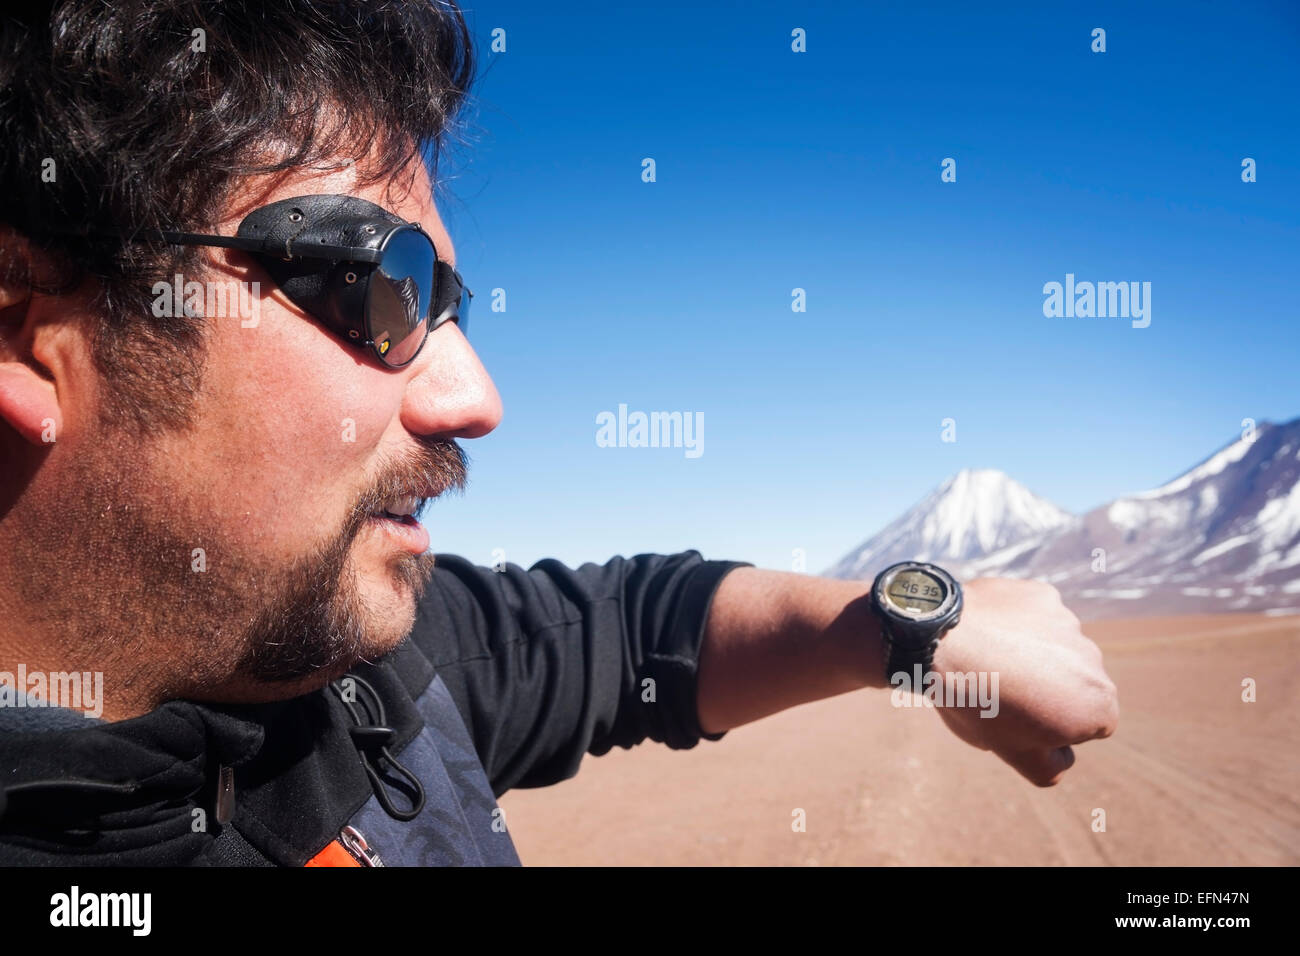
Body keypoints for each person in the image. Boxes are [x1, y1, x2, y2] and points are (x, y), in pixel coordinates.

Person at [0, 0, 1117, 866]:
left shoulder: (362, 659)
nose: (474, 396)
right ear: (24, 325)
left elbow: (635, 629)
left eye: (443, 303)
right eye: (364, 280)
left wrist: (904, 628)